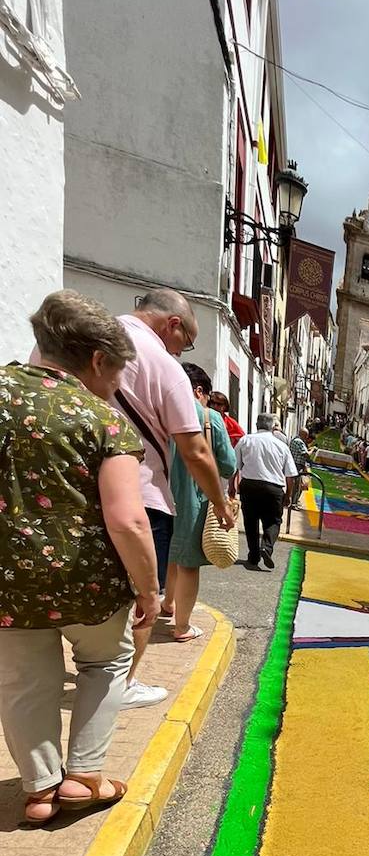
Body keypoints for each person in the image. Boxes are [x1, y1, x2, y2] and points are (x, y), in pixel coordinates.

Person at [0, 290, 161, 824]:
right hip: (87, 583)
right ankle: (84, 776)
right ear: (96, 361)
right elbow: (128, 519)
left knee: (24, 678)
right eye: (117, 375)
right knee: (106, 661)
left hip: (7, 582)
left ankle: (41, 789)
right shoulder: (102, 420)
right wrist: (148, 589)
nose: (116, 388)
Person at [114, 289, 231, 707]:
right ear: (173, 324)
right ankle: (123, 681)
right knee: (145, 592)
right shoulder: (163, 364)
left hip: (86, 485)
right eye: (186, 342)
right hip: (146, 493)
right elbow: (198, 451)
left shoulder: (94, 339)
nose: (181, 351)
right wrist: (221, 501)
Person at [163, 363, 237, 643]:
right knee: (188, 563)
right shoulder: (209, 418)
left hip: (156, 493)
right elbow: (228, 465)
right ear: (199, 391)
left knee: (170, 551)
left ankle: (168, 603)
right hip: (191, 497)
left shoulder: (159, 409)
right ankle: (181, 626)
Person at [236, 413, 296, 570]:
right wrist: (288, 495)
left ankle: (254, 556)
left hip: (249, 485)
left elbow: (235, 466)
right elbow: (290, 476)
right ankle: (266, 548)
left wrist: (231, 487)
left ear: (257, 425)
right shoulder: (282, 446)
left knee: (250, 521)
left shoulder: (245, 440)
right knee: (273, 521)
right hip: (273, 488)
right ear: (273, 427)